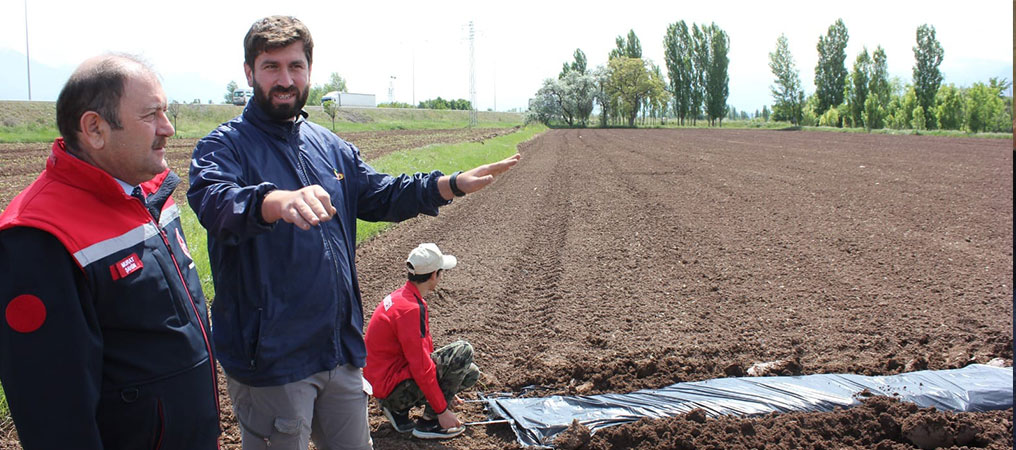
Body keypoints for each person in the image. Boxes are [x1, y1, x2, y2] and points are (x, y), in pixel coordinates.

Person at [187, 15, 519, 450]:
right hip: (272, 359)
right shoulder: (225, 145)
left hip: (338, 352)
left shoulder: (329, 146)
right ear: (249, 72)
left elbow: (381, 193)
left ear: (309, 70)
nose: (285, 79)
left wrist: (450, 184)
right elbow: (214, 201)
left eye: (295, 66)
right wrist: (274, 202)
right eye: (271, 67)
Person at [0, 54, 220, 449]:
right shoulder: (39, 237)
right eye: (151, 114)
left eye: (165, 112)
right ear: (95, 129)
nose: (168, 128)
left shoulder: (150, 193)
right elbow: (55, 415)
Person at [363, 243, 480, 440]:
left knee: (469, 373)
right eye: (441, 272)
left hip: (385, 382)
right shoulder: (410, 309)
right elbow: (421, 365)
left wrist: (447, 391)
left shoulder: (402, 297)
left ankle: (398, 413)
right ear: (434, 274)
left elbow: (423, 350)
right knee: (463, 351)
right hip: (390, 388)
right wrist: (441, 409)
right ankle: (430, 423)